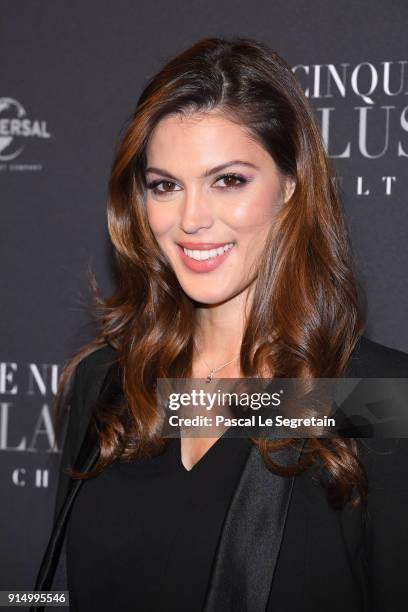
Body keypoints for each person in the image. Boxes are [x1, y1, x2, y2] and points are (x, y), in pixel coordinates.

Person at [31, 36, 408, 612]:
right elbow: (54, 595)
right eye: (166, 185)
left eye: (228, 180)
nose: (191, 218)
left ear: (291, 186)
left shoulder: (379, 399)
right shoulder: (109, 386)